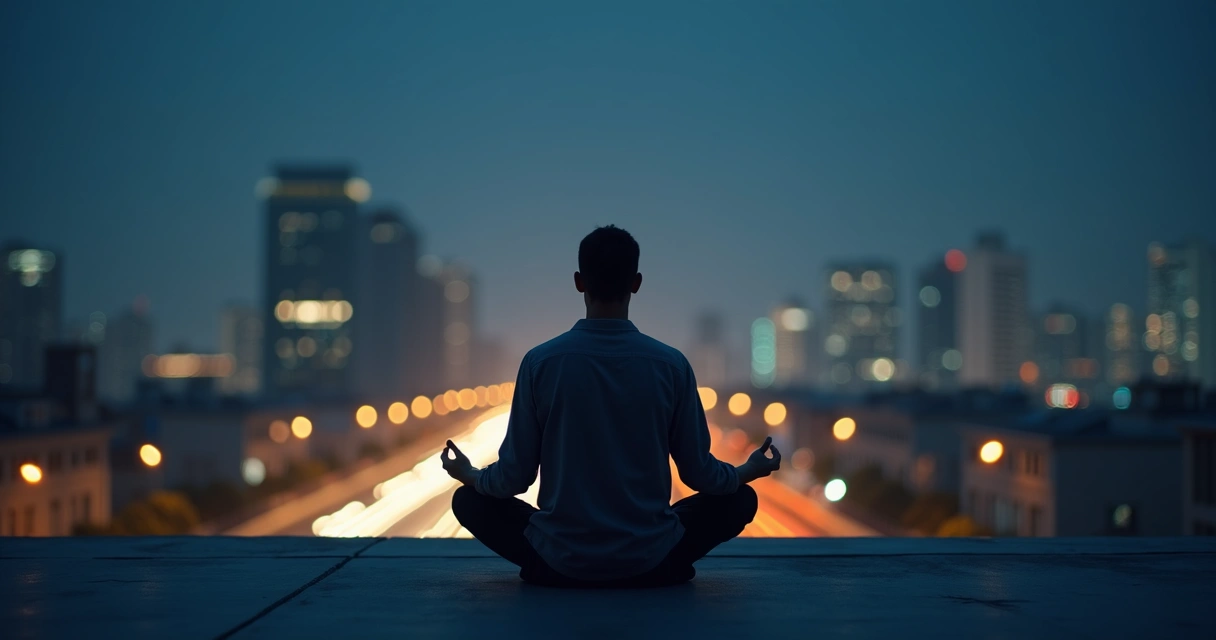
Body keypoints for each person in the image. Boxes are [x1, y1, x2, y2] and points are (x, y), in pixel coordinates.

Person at [441, 225, 780, 588]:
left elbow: (514, 477)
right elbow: (700, 475)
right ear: (636, 282)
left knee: (468, 501)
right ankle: (657, 565)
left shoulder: (541, 363)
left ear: (578, 281)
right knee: (739, 499)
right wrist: (750, 469)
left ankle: (554, 567)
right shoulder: (671, 365)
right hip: (651, 557)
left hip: (559, 558)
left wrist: (470, 475)